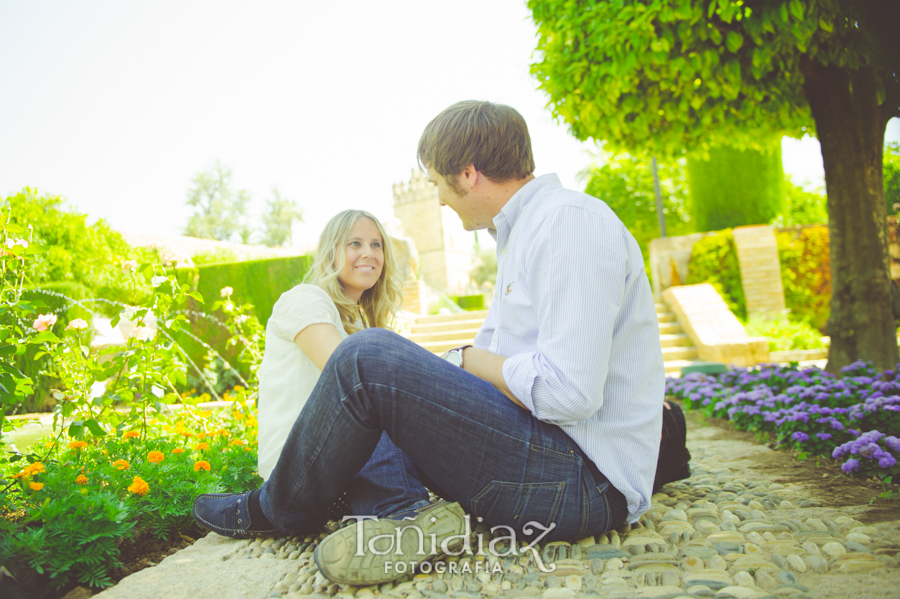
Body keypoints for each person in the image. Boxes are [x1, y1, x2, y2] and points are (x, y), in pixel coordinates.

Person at [193, 101, 665, 586]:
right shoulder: (525, 235)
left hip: (582, 484)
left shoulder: (568, 223)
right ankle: (404, 516)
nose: (439, 199)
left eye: (438, 183)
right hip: (552, 458)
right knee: (382, 389)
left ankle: (276, 508)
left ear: (468, 174)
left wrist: (470, 360)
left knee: (365, 357)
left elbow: (570, 391)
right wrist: (442, 374)